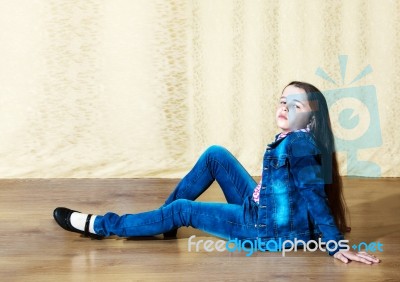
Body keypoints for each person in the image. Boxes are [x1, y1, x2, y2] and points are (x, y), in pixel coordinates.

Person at [54, 81, 380, 265]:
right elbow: (293, 193)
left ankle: (105, 225)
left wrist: (335, 244)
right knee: (216, 156)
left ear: (311, 118)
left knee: (184, 209)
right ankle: (163, 221)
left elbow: (313, 194)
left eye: (296, 105)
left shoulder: (299, 145)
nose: (285, 108)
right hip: (261, 208)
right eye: (283, 101)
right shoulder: (292, 140)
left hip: (264, 231)